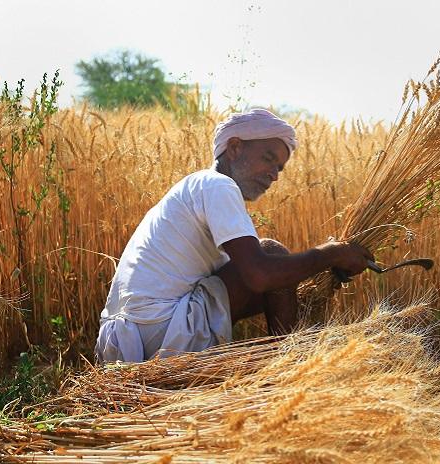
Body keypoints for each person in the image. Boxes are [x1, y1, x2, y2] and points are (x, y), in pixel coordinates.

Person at [95, 109, 373, 362]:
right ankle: (288, 371)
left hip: (119, 343)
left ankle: (285, 366)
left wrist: (318, 271)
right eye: (268, 158)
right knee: (271, 253)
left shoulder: (196, 187)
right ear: (235, 147)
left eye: (279, 168)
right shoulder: (218, 185)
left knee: (272, 267)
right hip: (161, 331)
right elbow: (260, 275)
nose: (274, 175)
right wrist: (333, 253)